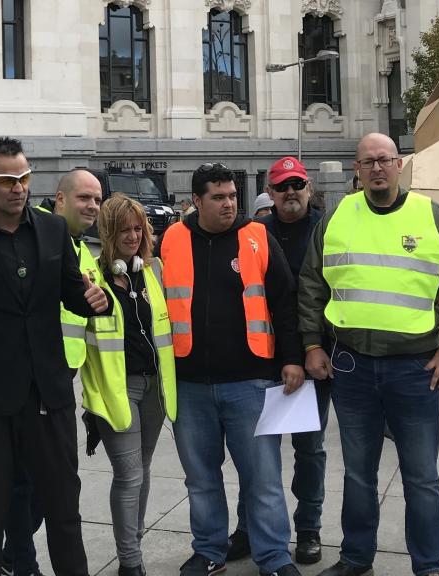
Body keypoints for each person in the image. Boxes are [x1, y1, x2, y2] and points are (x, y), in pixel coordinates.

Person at [300, 133, 439, 576]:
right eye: (368, 162)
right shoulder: (337, 216)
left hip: (414, 368)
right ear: (357, 169)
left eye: (384, 160)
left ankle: (428, 567)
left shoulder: (432, 216)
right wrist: (312, 344)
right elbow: (311, 285)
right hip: (351, 365)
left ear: (399, 164)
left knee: (421, 477)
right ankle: (356, 558)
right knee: (358, 475)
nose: (377, 168)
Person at [0, 136, 111, 575]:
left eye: (25, 177)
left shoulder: (52, 229)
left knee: (63, 508)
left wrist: (92, 298)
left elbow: (71, 291)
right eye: (8, 179)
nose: (18, 187)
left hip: (48, 393)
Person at [159, 162, 305, 576]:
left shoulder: (257, 236)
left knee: (263, 479)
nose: (228, 205)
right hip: (190, 384)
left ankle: (274, 558)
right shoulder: (172, 238)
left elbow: (285, 301)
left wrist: (291, 358)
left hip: (250, 381)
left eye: (232, 197)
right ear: (196, 201)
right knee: (201, 480)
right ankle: (209, 552)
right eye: (218, 197)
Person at [226, 156, 329, 566]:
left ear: (309, 189)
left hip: (312, 356)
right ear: (269, 191)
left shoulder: (327, 230)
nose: (290, 193)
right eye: (282, 186)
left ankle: (308, 529)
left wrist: (310, 349)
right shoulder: (252, 232)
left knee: (309, 450)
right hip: (261, 361)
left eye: (298, 185)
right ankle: (249, 529)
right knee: (255, 454)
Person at [2, 168, 103, 576]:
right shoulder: (36, 237)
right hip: (27, 381)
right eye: (83, 198)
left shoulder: (76, 244)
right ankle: (17, 561)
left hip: (61, 377)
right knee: (27, 483)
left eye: (97, 199)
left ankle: (13, 557)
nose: (92, 206)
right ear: (59, 200)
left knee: (54, 484)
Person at [76, 194, 175, 576]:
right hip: (116, 390)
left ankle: (132, 544)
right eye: (124, 229)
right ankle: (130, 562)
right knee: (129, 474)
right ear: (108, 232)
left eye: (138, 228)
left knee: (144, 469)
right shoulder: (94, 278)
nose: (133, 236)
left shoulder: (152, 272)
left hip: (154, 388)